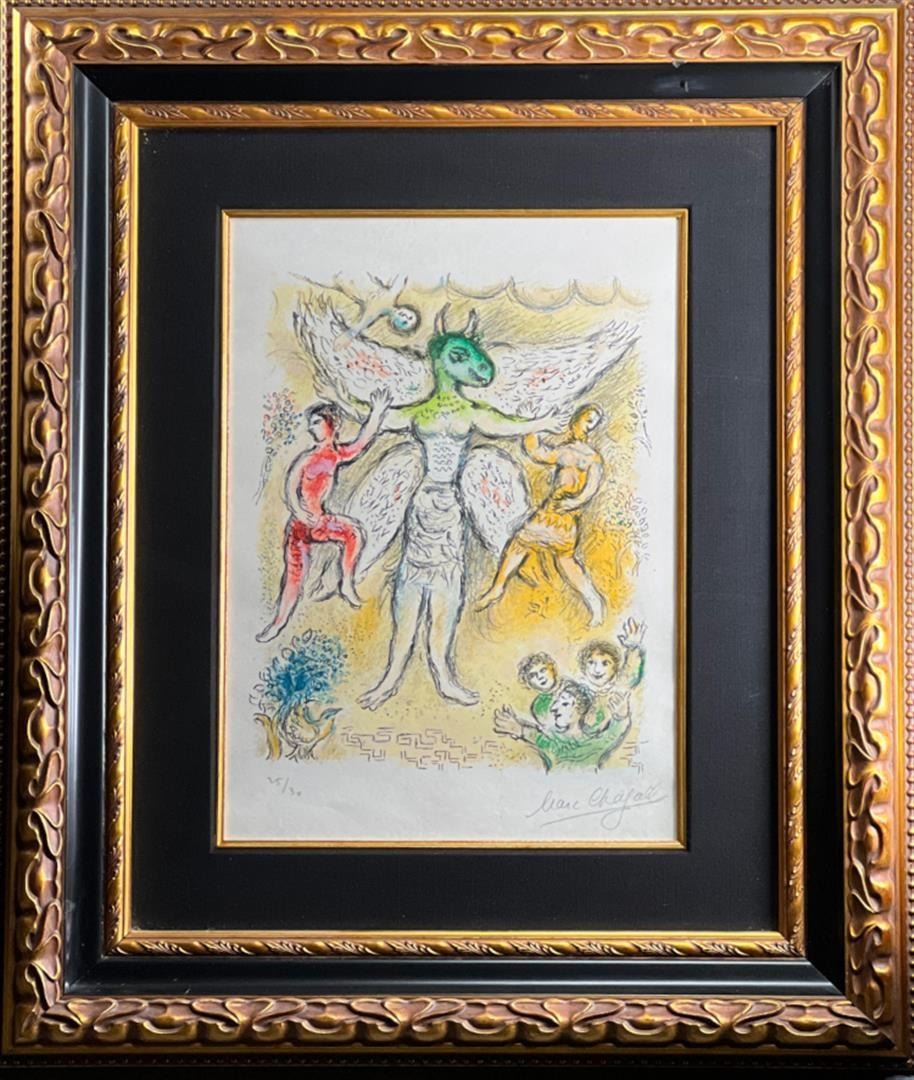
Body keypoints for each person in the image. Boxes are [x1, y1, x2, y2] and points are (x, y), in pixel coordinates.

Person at [256, 389, 390, 642]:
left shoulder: (335, 454)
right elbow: (290, 488)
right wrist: (299, 512)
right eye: (311, 424)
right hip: (299, 526)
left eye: (317, 422)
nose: (311, 428)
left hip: (320, 523)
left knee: (353, 534)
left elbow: (362, 442)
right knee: (293, 577)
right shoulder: (306, 458)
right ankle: (277, 624)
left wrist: (377, 413)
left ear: (331, 425)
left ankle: (346, 582)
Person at [476, 403, 607, 626]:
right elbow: (536, 452)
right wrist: (534, 426)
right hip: (553, 511)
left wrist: (574, 502)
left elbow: (591, 487)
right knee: (554, 556)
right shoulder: (565, 451)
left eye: (592, 423)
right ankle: (594, 603)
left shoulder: (590, 457)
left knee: (530, 547)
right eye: (587, 420)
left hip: (561, 513)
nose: (588, 426)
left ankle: (497, 588)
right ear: (576, 419)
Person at [578, 618, 646, 734]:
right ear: (584, 667)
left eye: (605, 663)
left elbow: (631, 670)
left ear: (615, 668)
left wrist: (633, 647)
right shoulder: (580, 689)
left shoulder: (618, 686)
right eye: (591, 663)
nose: (597, 670)